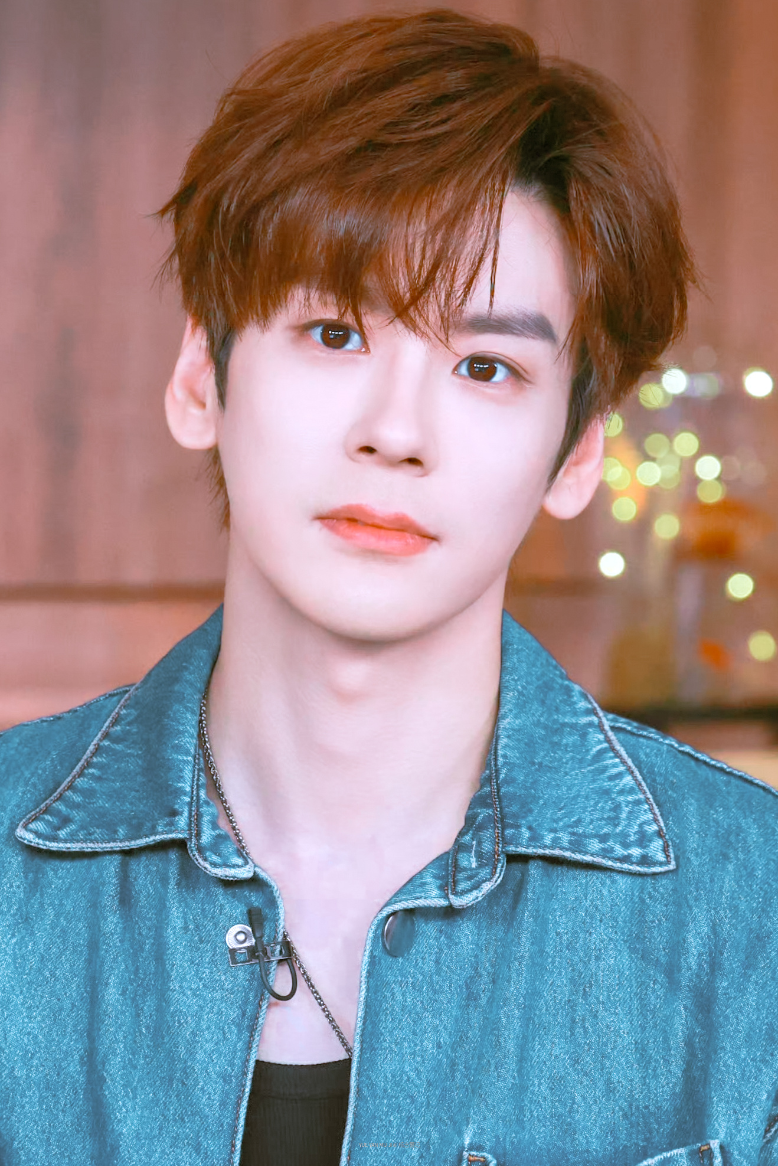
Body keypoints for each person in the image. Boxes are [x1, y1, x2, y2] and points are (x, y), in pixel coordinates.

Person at [1, 9, 777, 1166]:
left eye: (484, 365)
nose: (396, 431)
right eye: (333, 332)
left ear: (577, 453)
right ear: (200, 376)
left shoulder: (751, 906)